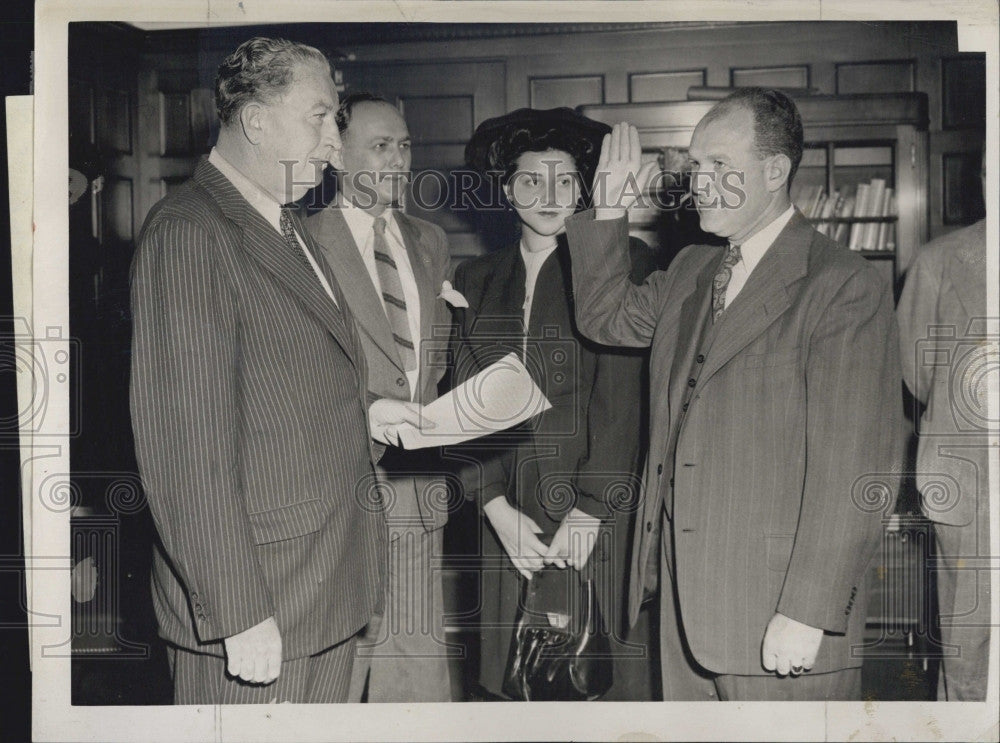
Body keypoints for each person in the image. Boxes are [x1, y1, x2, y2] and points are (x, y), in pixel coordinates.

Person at [564, 88, 904, 701]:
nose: (699, 182)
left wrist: (809, 610)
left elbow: (857, 467)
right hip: (681, 605)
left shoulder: (841, 284)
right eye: (696, 166)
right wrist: (607, 209)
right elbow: (603, 318)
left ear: (774, 171)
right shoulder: (694, 268)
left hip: (779, 614)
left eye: (719, 166)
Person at [129, 37, 422, 704]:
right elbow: (184, 450)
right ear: (257, 121)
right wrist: (238, 611)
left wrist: (370, 409)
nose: (334, 143)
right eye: (320, 117)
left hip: (323, 586)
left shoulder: (284, 222)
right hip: (260, 604)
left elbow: (283, 377)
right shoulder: (190, 232)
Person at [453, 107, 658, 700]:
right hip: (506, 514)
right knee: (512, 685)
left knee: (593, 683)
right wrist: (491, 504)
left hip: (592, 511)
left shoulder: (626, 261)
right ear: (505, 189)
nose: (549, 195)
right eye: (530, 180)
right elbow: (460, 401)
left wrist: (591, 509)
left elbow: (625, 401)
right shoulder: (475, 279)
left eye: (566, 180)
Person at [304, 93, 454, 702]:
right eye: (381, 145)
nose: (399, 159)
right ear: (337, 156)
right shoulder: (301, 240)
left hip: (416, 490)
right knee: (337, 667)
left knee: (415, 662)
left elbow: (429, 360)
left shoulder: (429, 240)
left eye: (405, 144)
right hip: (338, 489)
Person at [896, 152, 990, 701]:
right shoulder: (939, 261)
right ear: (983, 180)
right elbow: (915, 371)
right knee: (968, 642)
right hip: (968, 477)